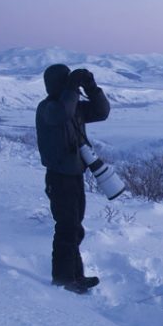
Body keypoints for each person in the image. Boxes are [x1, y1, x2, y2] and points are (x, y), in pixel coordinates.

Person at [35, 63, 111, 294]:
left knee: (75, 228)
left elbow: (102, 112)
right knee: (66, 228)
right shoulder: (49, 108)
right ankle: (63, 279)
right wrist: (71, 88)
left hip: (75, 175)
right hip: (59, 178)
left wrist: (91, 87)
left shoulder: (72, 107)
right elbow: (62, 114)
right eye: (67, 82)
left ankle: (76, 275)